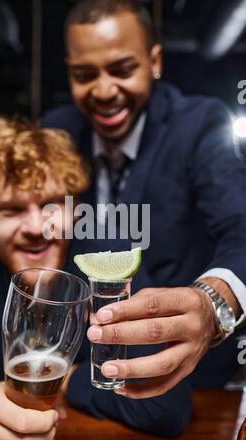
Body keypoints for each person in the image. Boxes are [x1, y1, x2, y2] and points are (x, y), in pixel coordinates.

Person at [42, 0, 246, 400]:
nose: (103, 91)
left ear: (154, 61)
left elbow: (241, 229)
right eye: (84, 75)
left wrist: (211, 306)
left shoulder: (199, 124)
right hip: (84, 378)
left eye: (122, 70)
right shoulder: (57, 131)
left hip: (193, 383)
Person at [0, 117, 89, 440]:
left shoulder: (104, 259)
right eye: (12, 210)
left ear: (75, 210)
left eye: (51, 205)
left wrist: (65, 379)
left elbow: (166, 408)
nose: (37, 227)